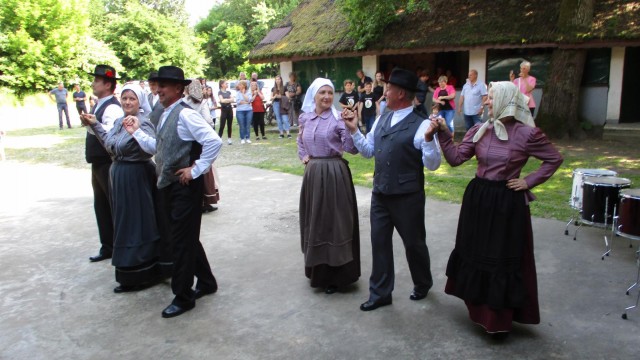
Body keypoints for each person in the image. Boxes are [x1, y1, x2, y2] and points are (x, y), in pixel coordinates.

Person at [435, 81, 563, 335]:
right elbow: (456, 159)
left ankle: (497, 319)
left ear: (506, 99)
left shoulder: (527, 134)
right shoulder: (479, 130)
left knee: (500, 258)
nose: (485, 101)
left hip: (506, 204)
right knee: (476, 252)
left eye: (491, 97)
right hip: (479, 200)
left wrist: (528, 181)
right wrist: (441, 133)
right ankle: (478, 310)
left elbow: (554, 158)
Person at [126, 65, 222, 318]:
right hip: (170, 186)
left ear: (179, 88)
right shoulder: (166, 114)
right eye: (157, 85)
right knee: (185, 237)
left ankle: (183, 296)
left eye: (164, 85)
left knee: (179, 242)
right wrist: (136, 133)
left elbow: (214, 140)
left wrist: (196, 169)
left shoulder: (185, 114)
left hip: (184, 188)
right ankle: (207, 282)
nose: (158, 89)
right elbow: (158, 148)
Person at [343, 68, 441, 311]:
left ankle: (422, 282)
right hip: (381, 194)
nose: (385, 92)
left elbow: (433, 164)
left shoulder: (422, 124)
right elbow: (368, 152)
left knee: (414, 243)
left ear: (401, 93)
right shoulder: (382, 118)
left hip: (408, 196)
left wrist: (429, 140)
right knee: (379, 242)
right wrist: (355, 130)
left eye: (389, 88)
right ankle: (380, 293)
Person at [80, 83, 166, 292]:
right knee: (123, 222)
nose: (127, 102)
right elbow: (110, 144)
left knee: (137, 222)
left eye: (132, 99)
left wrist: (135, 131)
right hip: (119, 177)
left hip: (136, 177)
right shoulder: (119, 122)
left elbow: (150, 149)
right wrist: (95, 124)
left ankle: (143, 271)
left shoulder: (143, 123)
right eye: (125, 98)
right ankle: (128, 271)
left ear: (139, 102)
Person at [297, 78, 360, 294]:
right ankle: (317, 271)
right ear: (313, 95)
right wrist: (305, 156)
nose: (326, 97)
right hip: (313, 174)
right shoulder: (305, 118)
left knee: (335, 222)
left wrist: (353, 127)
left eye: (330, 93)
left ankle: (336, 275)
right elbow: (300, 141)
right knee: (315, 220)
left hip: (334, 173)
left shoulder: (338, 119)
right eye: (322, 92)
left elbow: (352, 149)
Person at [82, 65, 124, 263]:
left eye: (97, 81)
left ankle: (116, 245)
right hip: (99, 162)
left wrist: (93, 124)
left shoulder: (112, 107)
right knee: (101, 205)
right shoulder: (100, 104)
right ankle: (107, 245)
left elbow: (111, 133)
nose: (93, 84)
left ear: (107, 84)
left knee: (112, 205)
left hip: (107, 162)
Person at [272, 75, 291, 139]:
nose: (278, 81)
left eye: (279, 79)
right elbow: (271, 98)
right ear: (275, 80)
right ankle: (281, 133)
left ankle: (288, 133)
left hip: (283, 104)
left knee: (285, 119)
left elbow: (288, 97)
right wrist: (275, 96)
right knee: (278, 119)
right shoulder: (273, 88)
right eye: (276, 79)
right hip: (276, 104)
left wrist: (281, 97)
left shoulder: (284, 87)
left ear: (281, 80)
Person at [217, 80, 235, 144]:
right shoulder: (220, 92)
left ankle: (229, 138)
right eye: (226, 84)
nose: (227, 85)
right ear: (222, 85)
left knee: (229, 124)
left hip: (229, 109)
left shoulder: (229, 92)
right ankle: (219, 138)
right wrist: (228, 100)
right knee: (222, 124)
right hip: (224, 109)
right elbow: (221, 100)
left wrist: (226, 100)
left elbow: (232, 100)